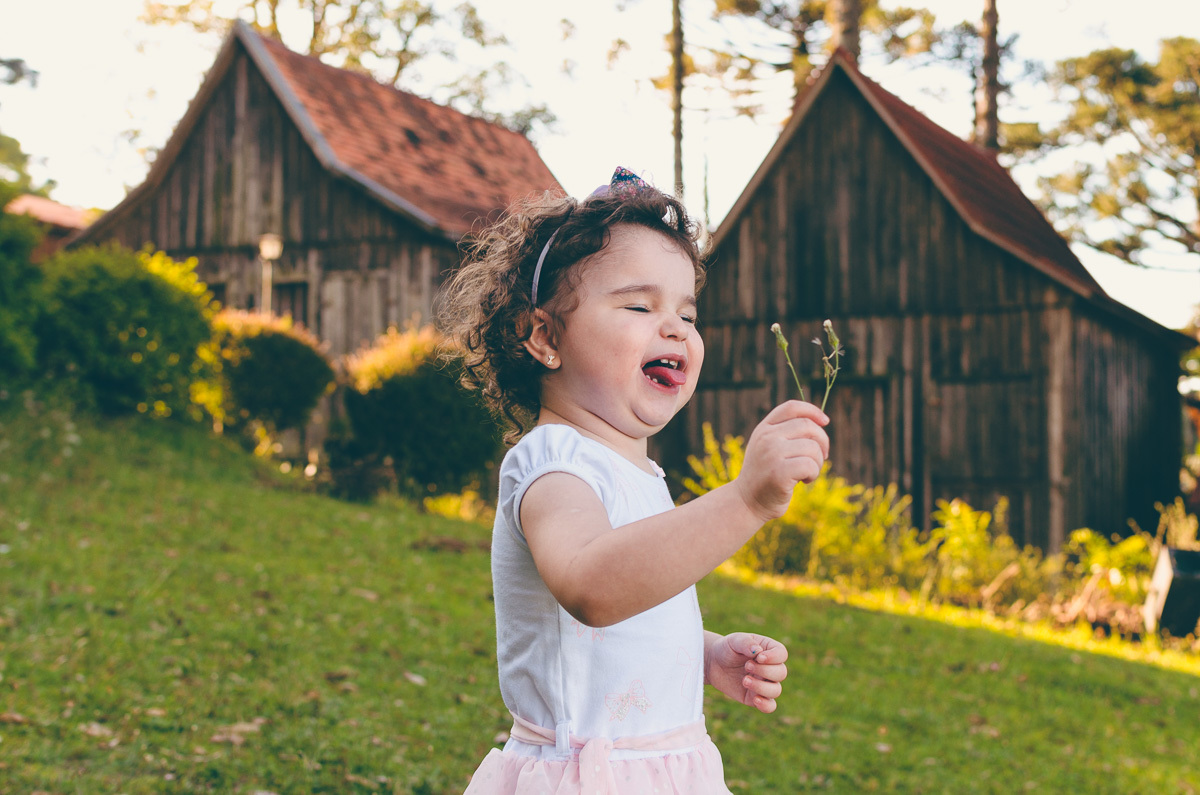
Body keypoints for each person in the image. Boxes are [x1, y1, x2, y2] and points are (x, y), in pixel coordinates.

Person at [440, 167, 830, 793]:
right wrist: (745, 499)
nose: (674, 327)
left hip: (670, 767)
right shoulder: (552, 465)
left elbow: (620, 620)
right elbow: (594, 586)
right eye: (638, 305)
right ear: (545, 335)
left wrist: (701, 653)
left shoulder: (640, 474)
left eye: (686, 312)